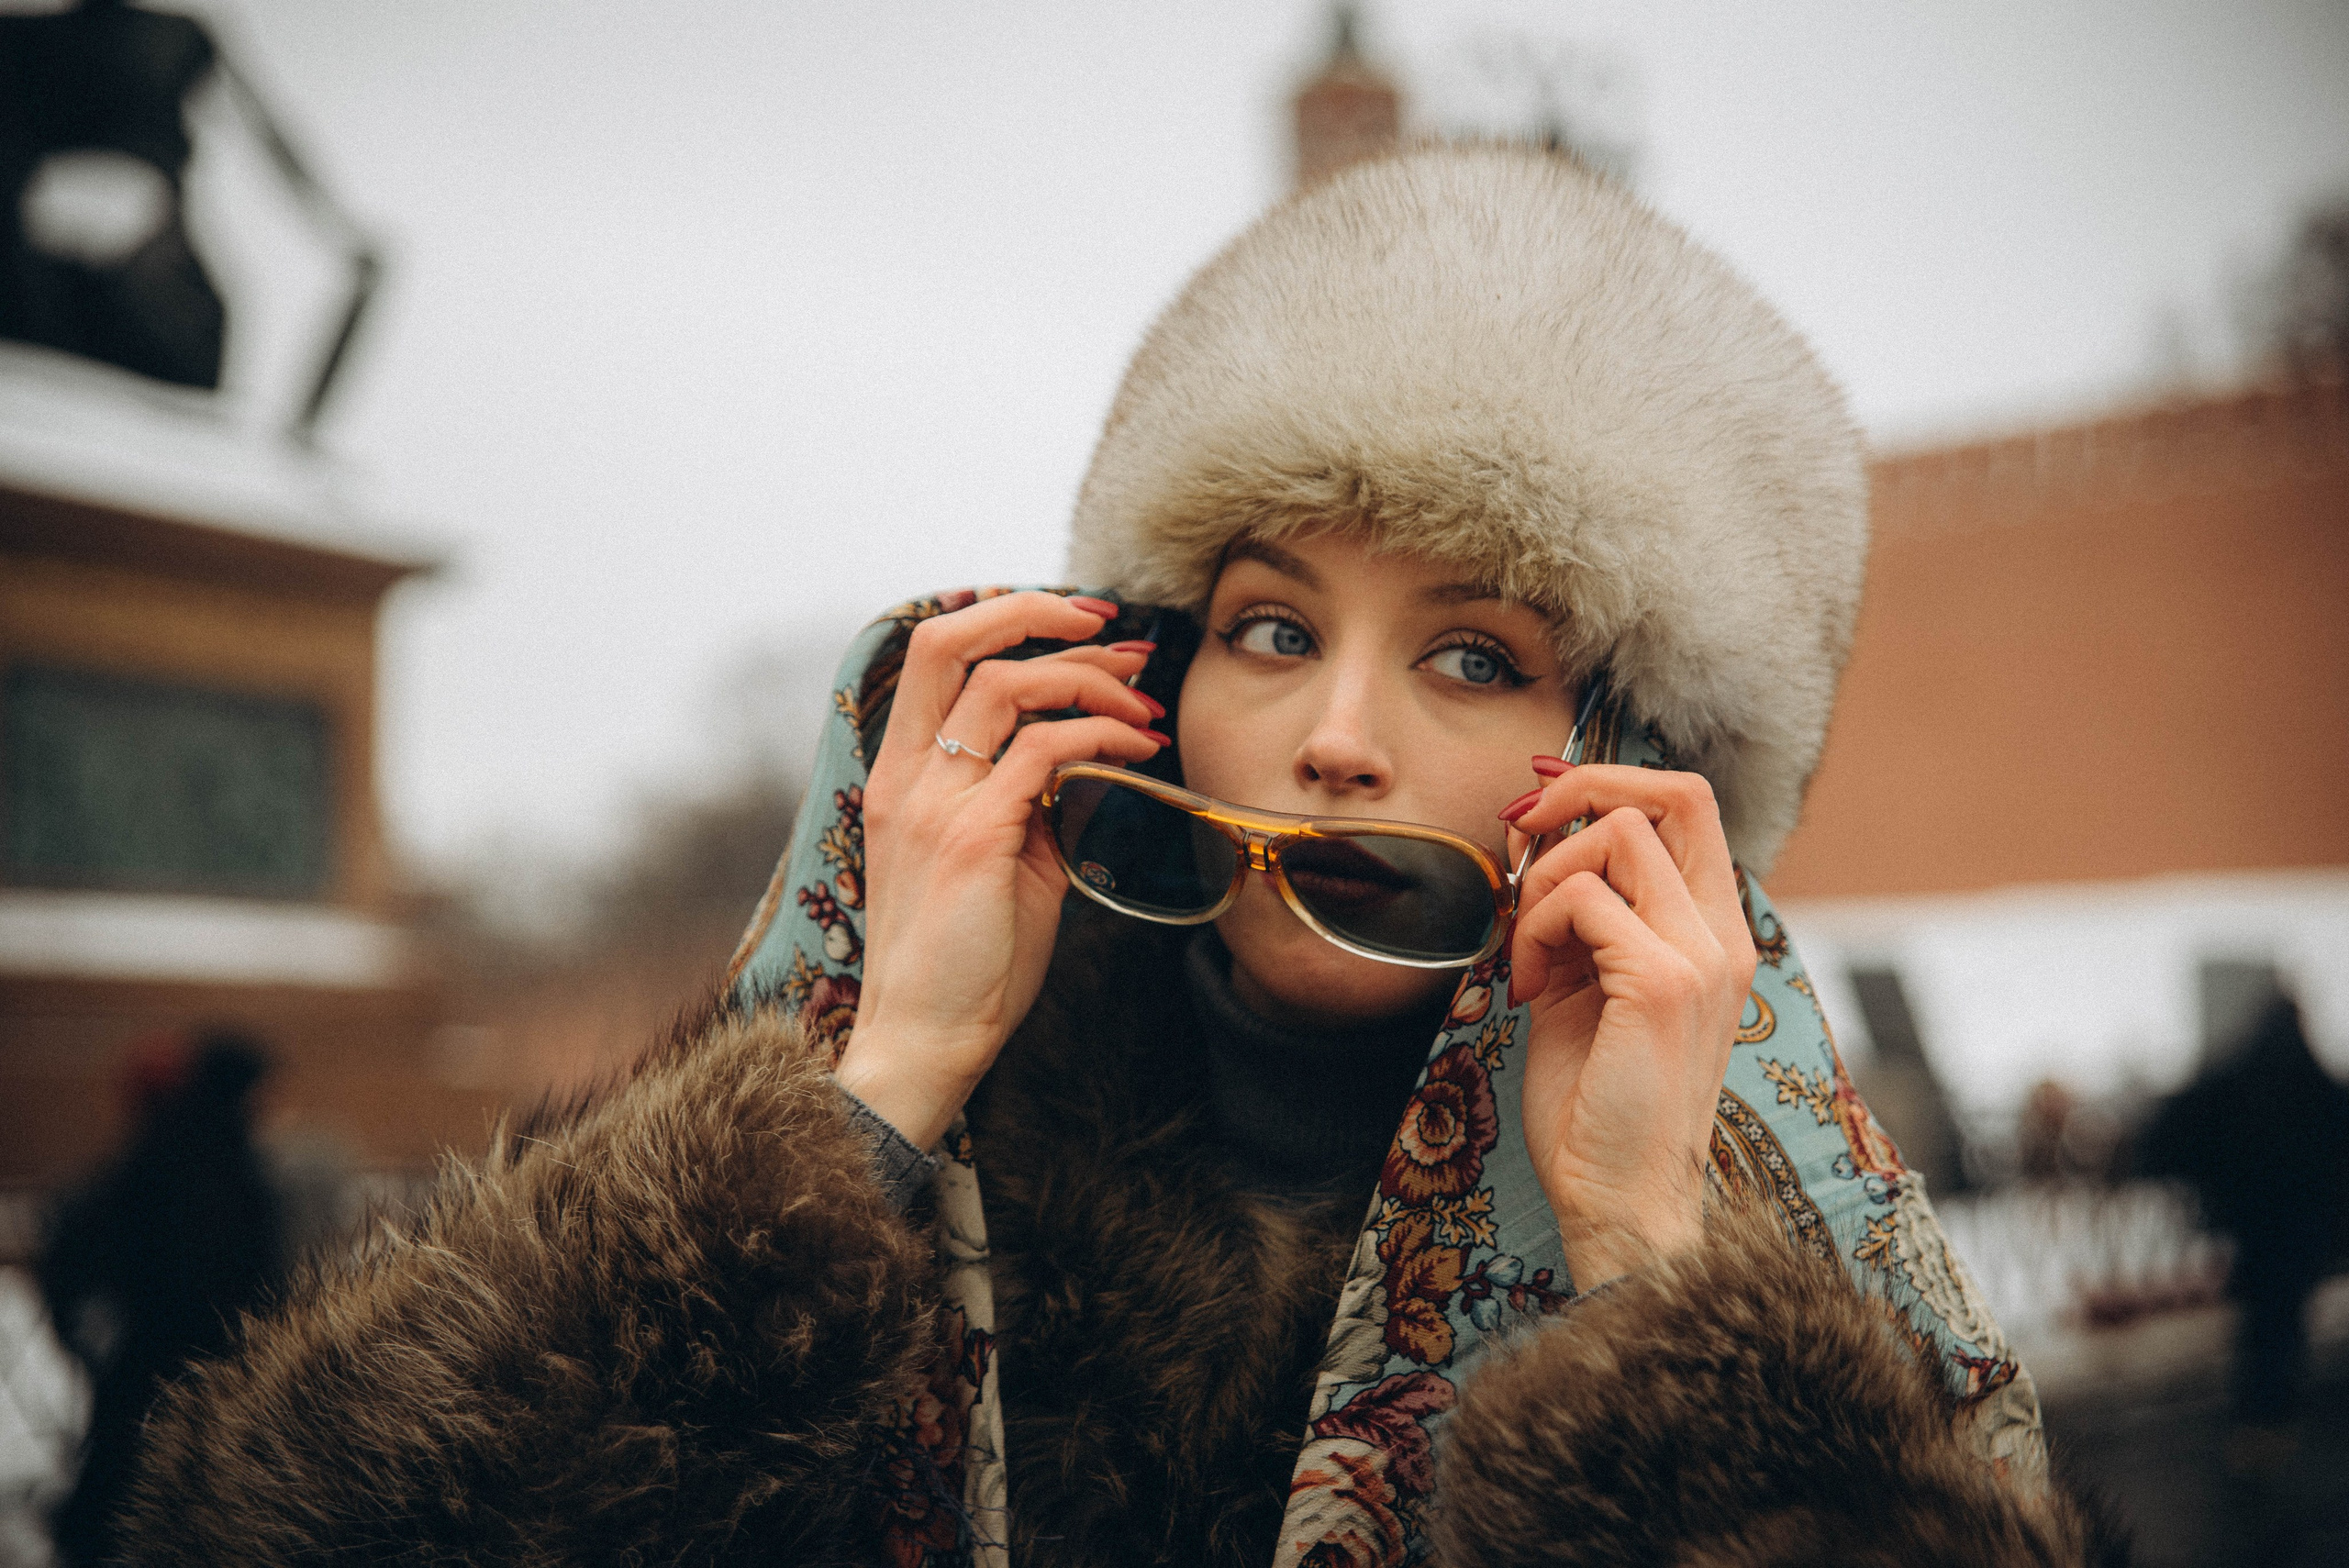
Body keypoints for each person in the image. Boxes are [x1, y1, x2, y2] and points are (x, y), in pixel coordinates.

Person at [116, 148, 2117, 1566]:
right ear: (1148, 671)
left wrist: (1644, 1267)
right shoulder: (896, 1134)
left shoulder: (1739, 1236)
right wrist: (877, 1085)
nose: (1333, 729)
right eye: (1268, 623)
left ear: (1619, 760)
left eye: (1472, 650)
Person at [37, 1030, 284, 1566]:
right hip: (207, 1360)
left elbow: (76, 1241)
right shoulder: (226, 1162)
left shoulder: (163, 1150)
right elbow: (253, 1271)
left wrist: (81, 1330)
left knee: (121, 1498)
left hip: (146, 1360)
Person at [2141, 994, 2349, 1432]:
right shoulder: (2318, 1086)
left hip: (2252, 1228)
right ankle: (2273, 1414)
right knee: (2282, 1319)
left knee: (2263, 1322)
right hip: (2304, 1228)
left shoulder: (2230, 1082)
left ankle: (2262, 1418)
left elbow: (2163, 1136)